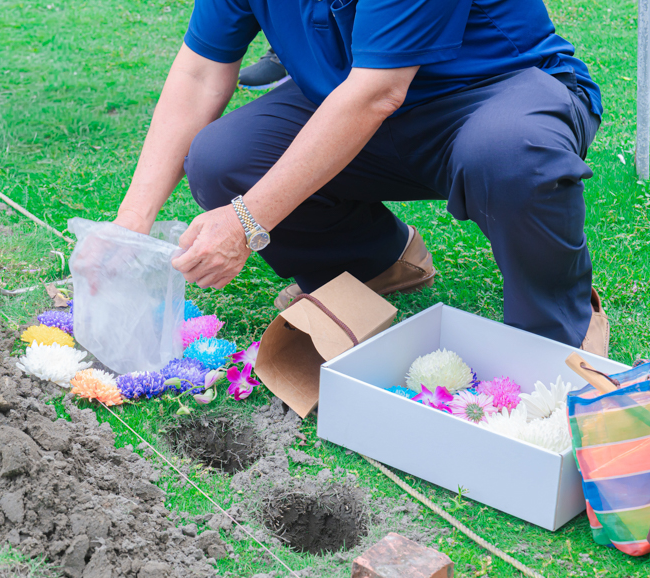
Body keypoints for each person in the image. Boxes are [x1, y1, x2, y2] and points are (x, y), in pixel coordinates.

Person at [111, 0, 609, 356]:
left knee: (513, 154)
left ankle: (558, 329)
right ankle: (374, 265)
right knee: (223, 158)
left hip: (494, 92)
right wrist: (127, 228)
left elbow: (379, 92)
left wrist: (244, 221)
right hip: (357, 99)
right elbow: (200, 74)